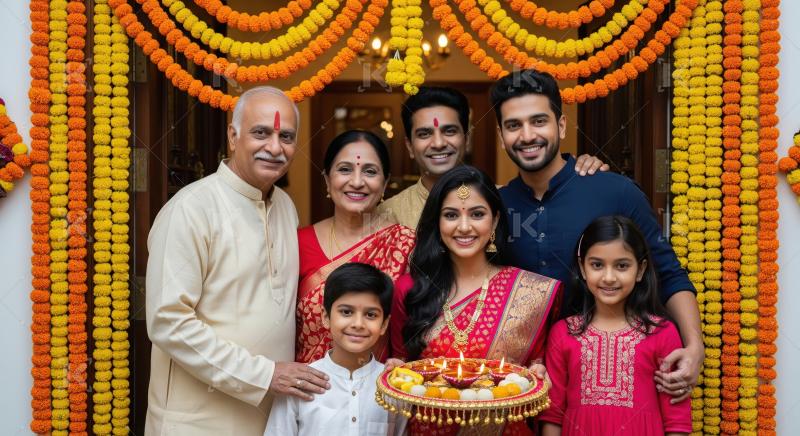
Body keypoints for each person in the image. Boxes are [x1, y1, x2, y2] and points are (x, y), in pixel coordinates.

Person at [493, 69, 703, 402]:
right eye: (514, 125)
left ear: (561, 125)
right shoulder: (494, 207)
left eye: (539, 121)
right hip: (520, 385)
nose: (527, 135)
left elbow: (668, 274)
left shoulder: (615, 192)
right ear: (501, 135)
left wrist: (694, 347)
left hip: (609, 383)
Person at [145, 86, 329, 435]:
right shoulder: (191, 209)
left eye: (286, 137)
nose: (275, 148)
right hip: (198, 422)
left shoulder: (285, 207)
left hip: (271, 417)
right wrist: (264, 374)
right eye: (261, 133)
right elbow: (168, 322)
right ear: (233, 136)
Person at [390, 165, 561, 435]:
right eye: (451, 215)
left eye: (477, 214)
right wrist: (395, 369)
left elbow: (536, 369)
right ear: (437, 222)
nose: (464, 226)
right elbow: (400, 366)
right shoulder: (410, 289)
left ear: (495, 221)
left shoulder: (530, 292)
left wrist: (539, 374)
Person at [540, 216, 691, 436]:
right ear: (583, 268)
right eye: (597, 265)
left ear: (640, 270)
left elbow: (677, 421)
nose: (609, 277)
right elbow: (552, 416)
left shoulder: (662, 333)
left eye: (622, 266)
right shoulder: (563, 333)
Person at [377, 86, 608, 229]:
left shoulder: (503, 200)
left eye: (450, 131)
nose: (438, 143)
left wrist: (575, 170)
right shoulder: (387, 214)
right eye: (424, 134)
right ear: (409, 146)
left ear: (467, 139)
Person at [296, 129, 415, 364]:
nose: (357, 182)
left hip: (380, 382)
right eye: (345, 169)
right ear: (327, 179)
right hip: (307, 382)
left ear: (385, 183)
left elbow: (412, 330)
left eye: (370, 171)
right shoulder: (298, 243)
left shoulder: (406, 244)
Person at [267, 263, 404, 435]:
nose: (358, 324)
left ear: (384, 324)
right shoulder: (298, 383)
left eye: (370, 315)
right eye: (346, 312)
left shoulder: (393, 385)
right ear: (326, 317)